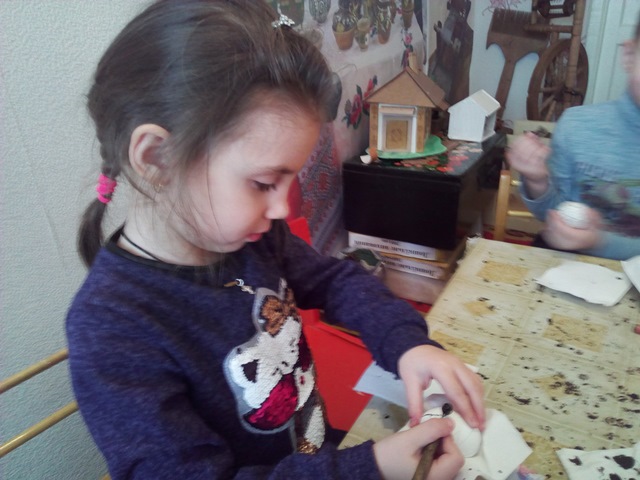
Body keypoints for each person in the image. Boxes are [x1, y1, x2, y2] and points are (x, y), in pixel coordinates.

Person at [66, 1, 484, 479]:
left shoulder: (250, 239)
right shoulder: (112, 329)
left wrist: (407, 345)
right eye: (264, 183)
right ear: (157, 158)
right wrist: (370, 471)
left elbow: (337, 280)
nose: (284, 209)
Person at [506, 13, 640, 261]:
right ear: (629, 55)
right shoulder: (577, 126)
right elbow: (554, 214)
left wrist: (598, 241)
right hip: (569, 269)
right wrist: (538, 181)